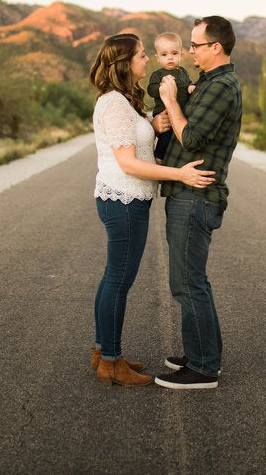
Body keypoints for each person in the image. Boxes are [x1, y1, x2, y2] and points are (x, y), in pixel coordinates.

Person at [88, 33, 215, 387]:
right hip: (123, 199)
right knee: (119, 280)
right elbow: (128, 163)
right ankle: (111, 362)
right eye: (142, 55)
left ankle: (104, 352)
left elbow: (139, 145)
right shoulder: (113, 103)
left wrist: (155, 125)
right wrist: (180, 174)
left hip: (128, 199)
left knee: (114, 277)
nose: (147, 60)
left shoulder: (125, 102)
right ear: (125, 63)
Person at [154, 16, 243, 390]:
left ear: (215, 48)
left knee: (188, 282)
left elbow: (191, 138)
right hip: (184, 192)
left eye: (196, 45)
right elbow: (178, 130)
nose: (190, 51)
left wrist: (172, 101)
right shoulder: (206, 84)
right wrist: (162, 120)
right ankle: (199, 354)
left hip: (196, 196)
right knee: (188, 279)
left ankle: (205, 367)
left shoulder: (222, 86)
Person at [147, 32, 195, 162]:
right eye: (164, 54)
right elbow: (151, 89)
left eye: (174, 53)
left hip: (181, 113)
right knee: (167, 136)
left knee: (180, 138)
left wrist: (190, 87)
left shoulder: (183, 72)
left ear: (181, 55)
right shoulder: (158, 74)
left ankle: (174, 161)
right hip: (165, 113)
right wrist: (161, 87)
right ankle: (159, 157)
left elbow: (188, 83)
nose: (170, 58)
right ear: (157, 58)